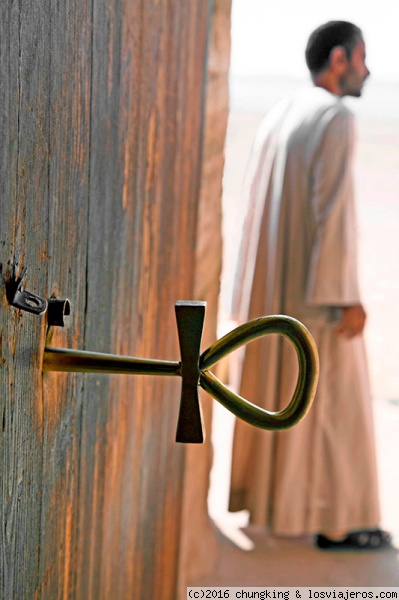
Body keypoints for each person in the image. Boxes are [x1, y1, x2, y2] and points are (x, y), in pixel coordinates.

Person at [228, 21, 391, 550]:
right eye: (363, 57)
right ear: (340, 59)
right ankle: (339, 523)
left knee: (285, 398)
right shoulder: (335, 116)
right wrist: (347, 297)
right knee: (334, 406)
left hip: (279, 291)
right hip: (315, 295)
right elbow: (333, 213)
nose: (369, 69)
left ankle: (280, 507)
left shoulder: (282, 113)